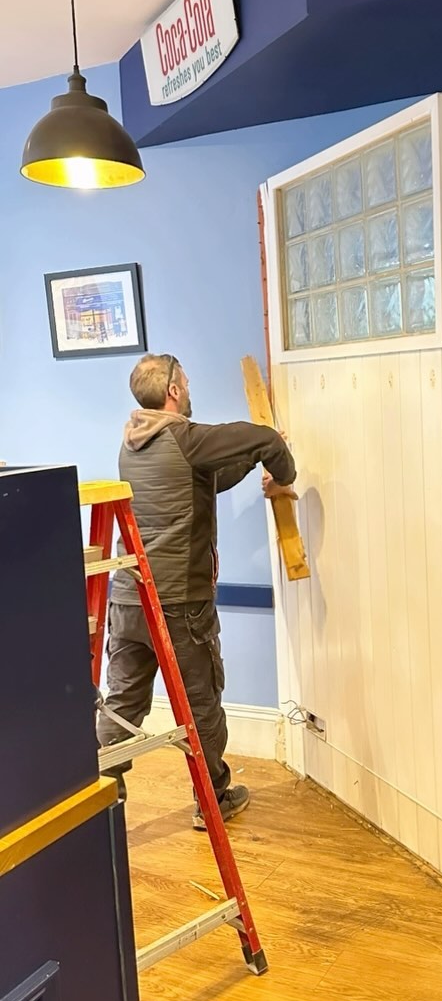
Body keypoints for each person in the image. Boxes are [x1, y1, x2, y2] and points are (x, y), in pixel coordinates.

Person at [97, 353, 297, 831]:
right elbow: (266, 439)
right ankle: (214, 799)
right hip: (179, 604)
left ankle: (101, 791)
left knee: (123, 699)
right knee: (201, 703)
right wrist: (282, 477)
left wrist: (251, 464)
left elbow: (200, 479)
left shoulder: (132, 443)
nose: (189, 388)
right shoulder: (184, 436)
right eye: (186, 382)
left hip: (128, 600)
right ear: (173, 392)